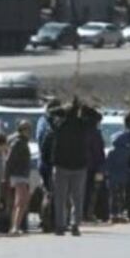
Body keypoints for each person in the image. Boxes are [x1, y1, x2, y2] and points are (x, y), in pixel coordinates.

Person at [51, 100, 102, 236]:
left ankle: (60, 225)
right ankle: (75, 224)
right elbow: (98, 117)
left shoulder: (60, 125)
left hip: (61, 165)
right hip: (79, 166)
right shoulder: (83, 125)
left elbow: (49, 113)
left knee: (60, 197)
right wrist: (85, 108)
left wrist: (62, 109)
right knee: (77, 197)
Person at [5, 121, 33, 236]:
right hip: (18, 175)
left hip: (22, 175)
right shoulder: (17, 142)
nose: (29, 131)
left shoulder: (22, 142)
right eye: (27, 129)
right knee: (21, 201)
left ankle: (15, 226)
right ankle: (15, 227)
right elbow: (9, 160)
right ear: (22, 129)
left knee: (20, 202)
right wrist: (7, 176)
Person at [105, 122, 130, 222]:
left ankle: (113, 213)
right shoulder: (128, 152)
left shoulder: (112, 152)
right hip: (124, 177)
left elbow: (107, 164)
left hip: (113, 178)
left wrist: (104, 172)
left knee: (113, 196)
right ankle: (121, 212)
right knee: (122, 196)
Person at [83, 115, 106, 222]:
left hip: (80, 165)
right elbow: (98, 152)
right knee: (90, 192)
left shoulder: (82, 131)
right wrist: (100, 167)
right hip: (91, 166)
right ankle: (87, 214)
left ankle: (80, 213)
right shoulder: (95, 133)